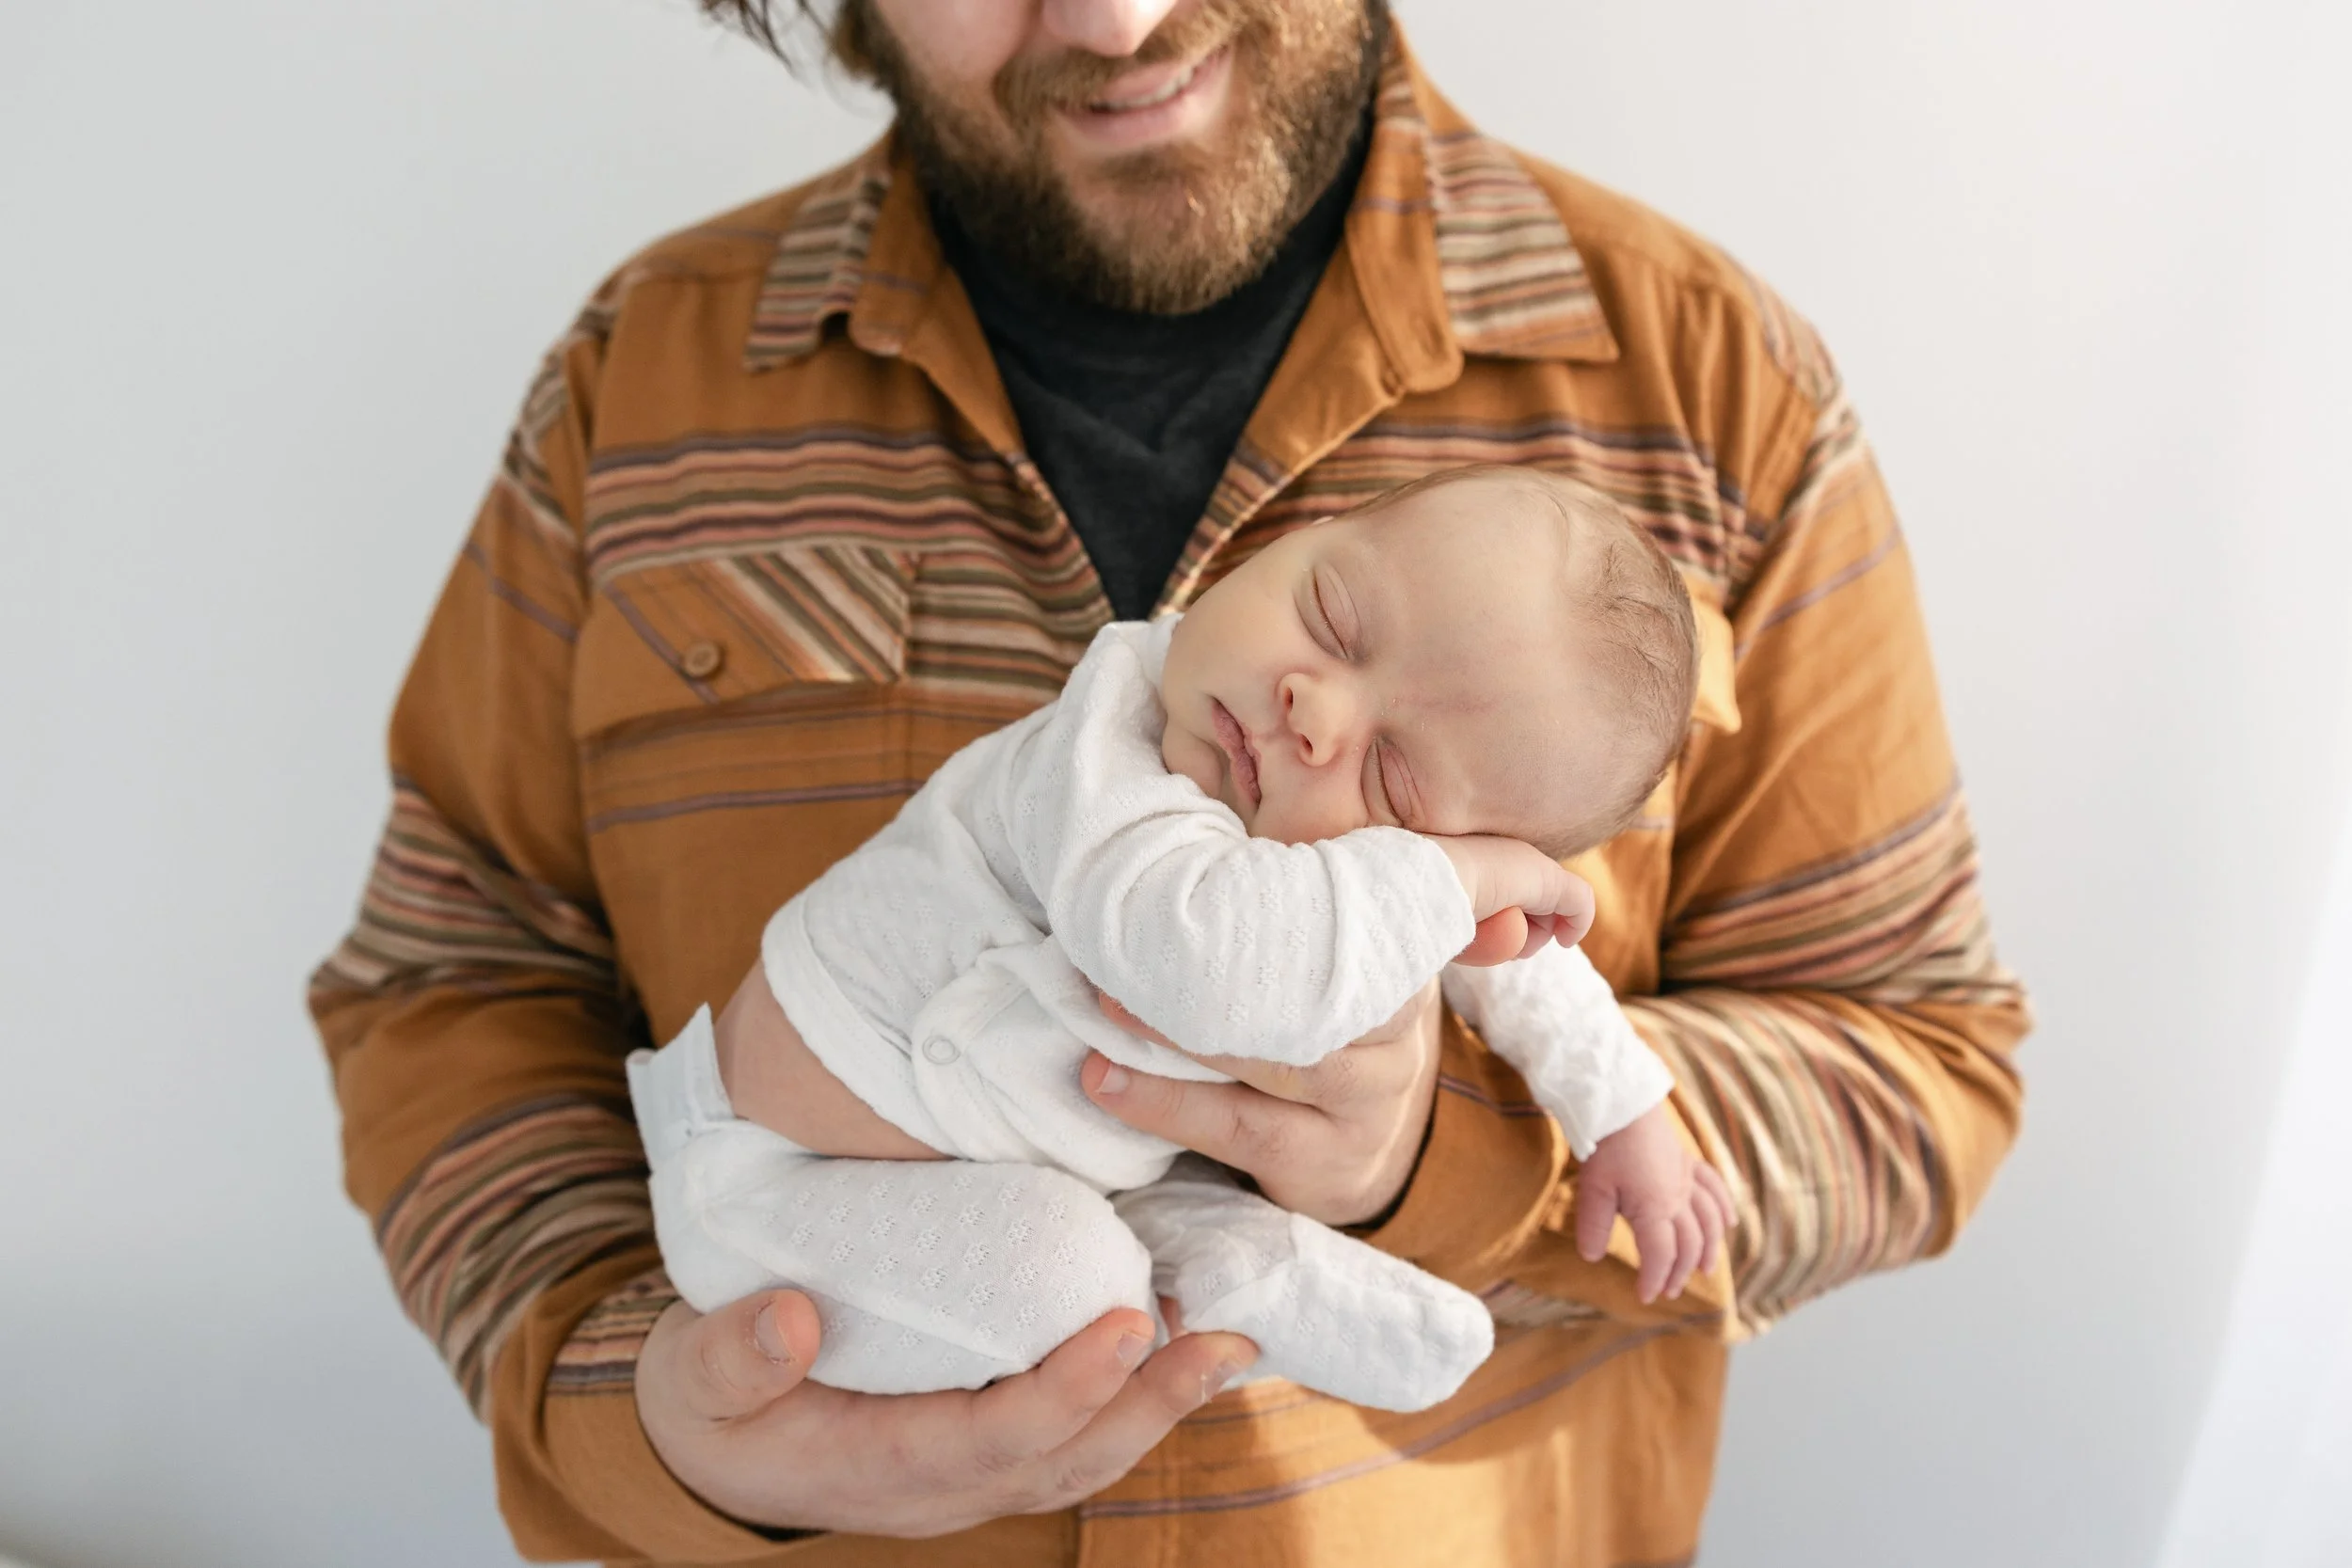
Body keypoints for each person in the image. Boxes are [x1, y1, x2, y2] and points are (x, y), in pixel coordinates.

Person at [309, 0, 2031, 1560]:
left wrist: (1443, 1151)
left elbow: (1919, 1064)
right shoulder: (640, 391)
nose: (1120, 23)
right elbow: (446, 985)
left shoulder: (1720, 395)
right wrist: (651, 1411)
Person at [633, 467, 1729, 1415]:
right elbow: (1210, 968)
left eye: (1392, 778)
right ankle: (1190, 1286)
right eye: (1333, 616)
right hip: (764, 1179)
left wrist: (1622, 1105)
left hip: (985, 1160)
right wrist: (1447, 866)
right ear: (1294, 536)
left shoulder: (1371, 879)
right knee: (1077, 1295)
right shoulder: (1112, 741)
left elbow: (1500, 949)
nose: (1314, 707)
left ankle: (1201, 1255)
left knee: (1075, 1257)